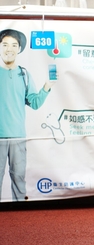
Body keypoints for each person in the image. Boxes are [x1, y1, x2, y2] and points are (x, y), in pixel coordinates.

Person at [0, 28, 53, 201]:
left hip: (18, 136)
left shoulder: (24, 75)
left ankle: (20, 212)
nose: (9, 49)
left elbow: (35, 103)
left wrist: (47, 87)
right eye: (5, 44)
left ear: (19, 49)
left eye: (14, 45)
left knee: (19, 178)